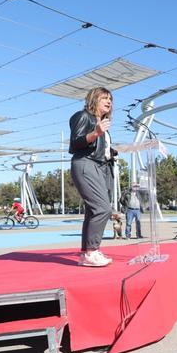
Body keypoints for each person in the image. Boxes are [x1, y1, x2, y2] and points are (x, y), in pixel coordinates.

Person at [69, 87, 116, 267]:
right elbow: (75, 143)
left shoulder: (102, 122)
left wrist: (111, 152)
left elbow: (98, 147)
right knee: (102, 208)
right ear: (94, 99)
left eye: (110, 99)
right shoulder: (83, 116)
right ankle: (92, 252)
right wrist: (96, 132)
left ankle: (86, 254)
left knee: (92, 211)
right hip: (85, 163)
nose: (109, 101)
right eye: (104, 98)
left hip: (99, 165)